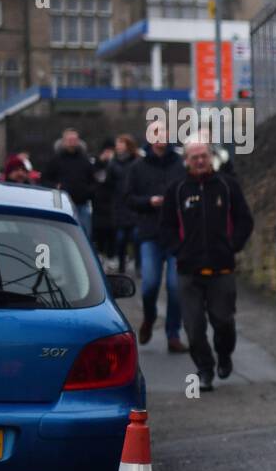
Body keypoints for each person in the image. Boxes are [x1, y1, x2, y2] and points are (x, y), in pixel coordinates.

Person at [159, 133, 254, 391]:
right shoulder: (176, 189)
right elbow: (165, 227)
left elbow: (245, 220)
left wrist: (232, 246)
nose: (200, 161)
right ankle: (204, 369)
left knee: (223, 321)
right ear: (186, 161)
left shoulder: (227, 185)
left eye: (204, 156)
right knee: (193, 327)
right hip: (188, 270)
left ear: (211, 156)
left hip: (222, 267)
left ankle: (224, 356)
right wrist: (178, 250)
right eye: (194, 157)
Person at [126, 121, 187, 352]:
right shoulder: (138, 167)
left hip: (176, 234)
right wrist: (148, 202)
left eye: (164, 131)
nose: (160, 135)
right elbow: (128, 198)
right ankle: (149, 317)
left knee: (174, 286)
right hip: (150, 233)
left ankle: (173, 333)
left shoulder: (180, 164)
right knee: (150, 284)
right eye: (156, 131)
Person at [42, 128, 96, 238]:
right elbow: (44, 180)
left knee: (84, 236)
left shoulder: (85, 160)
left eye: (74, 140)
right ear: (64, 141)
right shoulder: (55, 160)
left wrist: (88, 192)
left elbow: (94, 181)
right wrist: (56, 187)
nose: (72, 143)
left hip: (82, 205)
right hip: (62, 205)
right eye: (69, 140)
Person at [108, 134, 141, 273]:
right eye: (117, 144)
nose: (118, 146)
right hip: (119, 205)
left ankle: (139, 265)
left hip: (134, 204)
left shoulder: (138, 162)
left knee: (136, 237)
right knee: (121, 239)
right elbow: (108, 184)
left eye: (121, 144)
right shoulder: (113, 163)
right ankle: (122, 264)